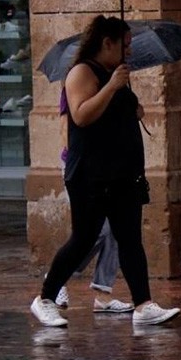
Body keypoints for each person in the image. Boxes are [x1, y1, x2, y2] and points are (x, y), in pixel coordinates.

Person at [29, 15, 180, 328]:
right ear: (106, 43)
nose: (129, 51)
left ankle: (144, 304)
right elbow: (81, 115)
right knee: (83, 238)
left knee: (130, 238)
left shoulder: (117, 74)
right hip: (90, 174)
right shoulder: (81, 72)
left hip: (122, 172)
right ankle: (45, 298)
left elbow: (117, 113)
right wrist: (111, 87)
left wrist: (133, 106)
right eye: (125, 45)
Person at [47, 88, 133, 314]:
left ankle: (103, 294)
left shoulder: (112, 85)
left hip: (108, 166)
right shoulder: (76, 85)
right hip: (83, 168)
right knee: (95, 231)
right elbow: (66, 129)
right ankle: (57, 276)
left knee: (116, 228)